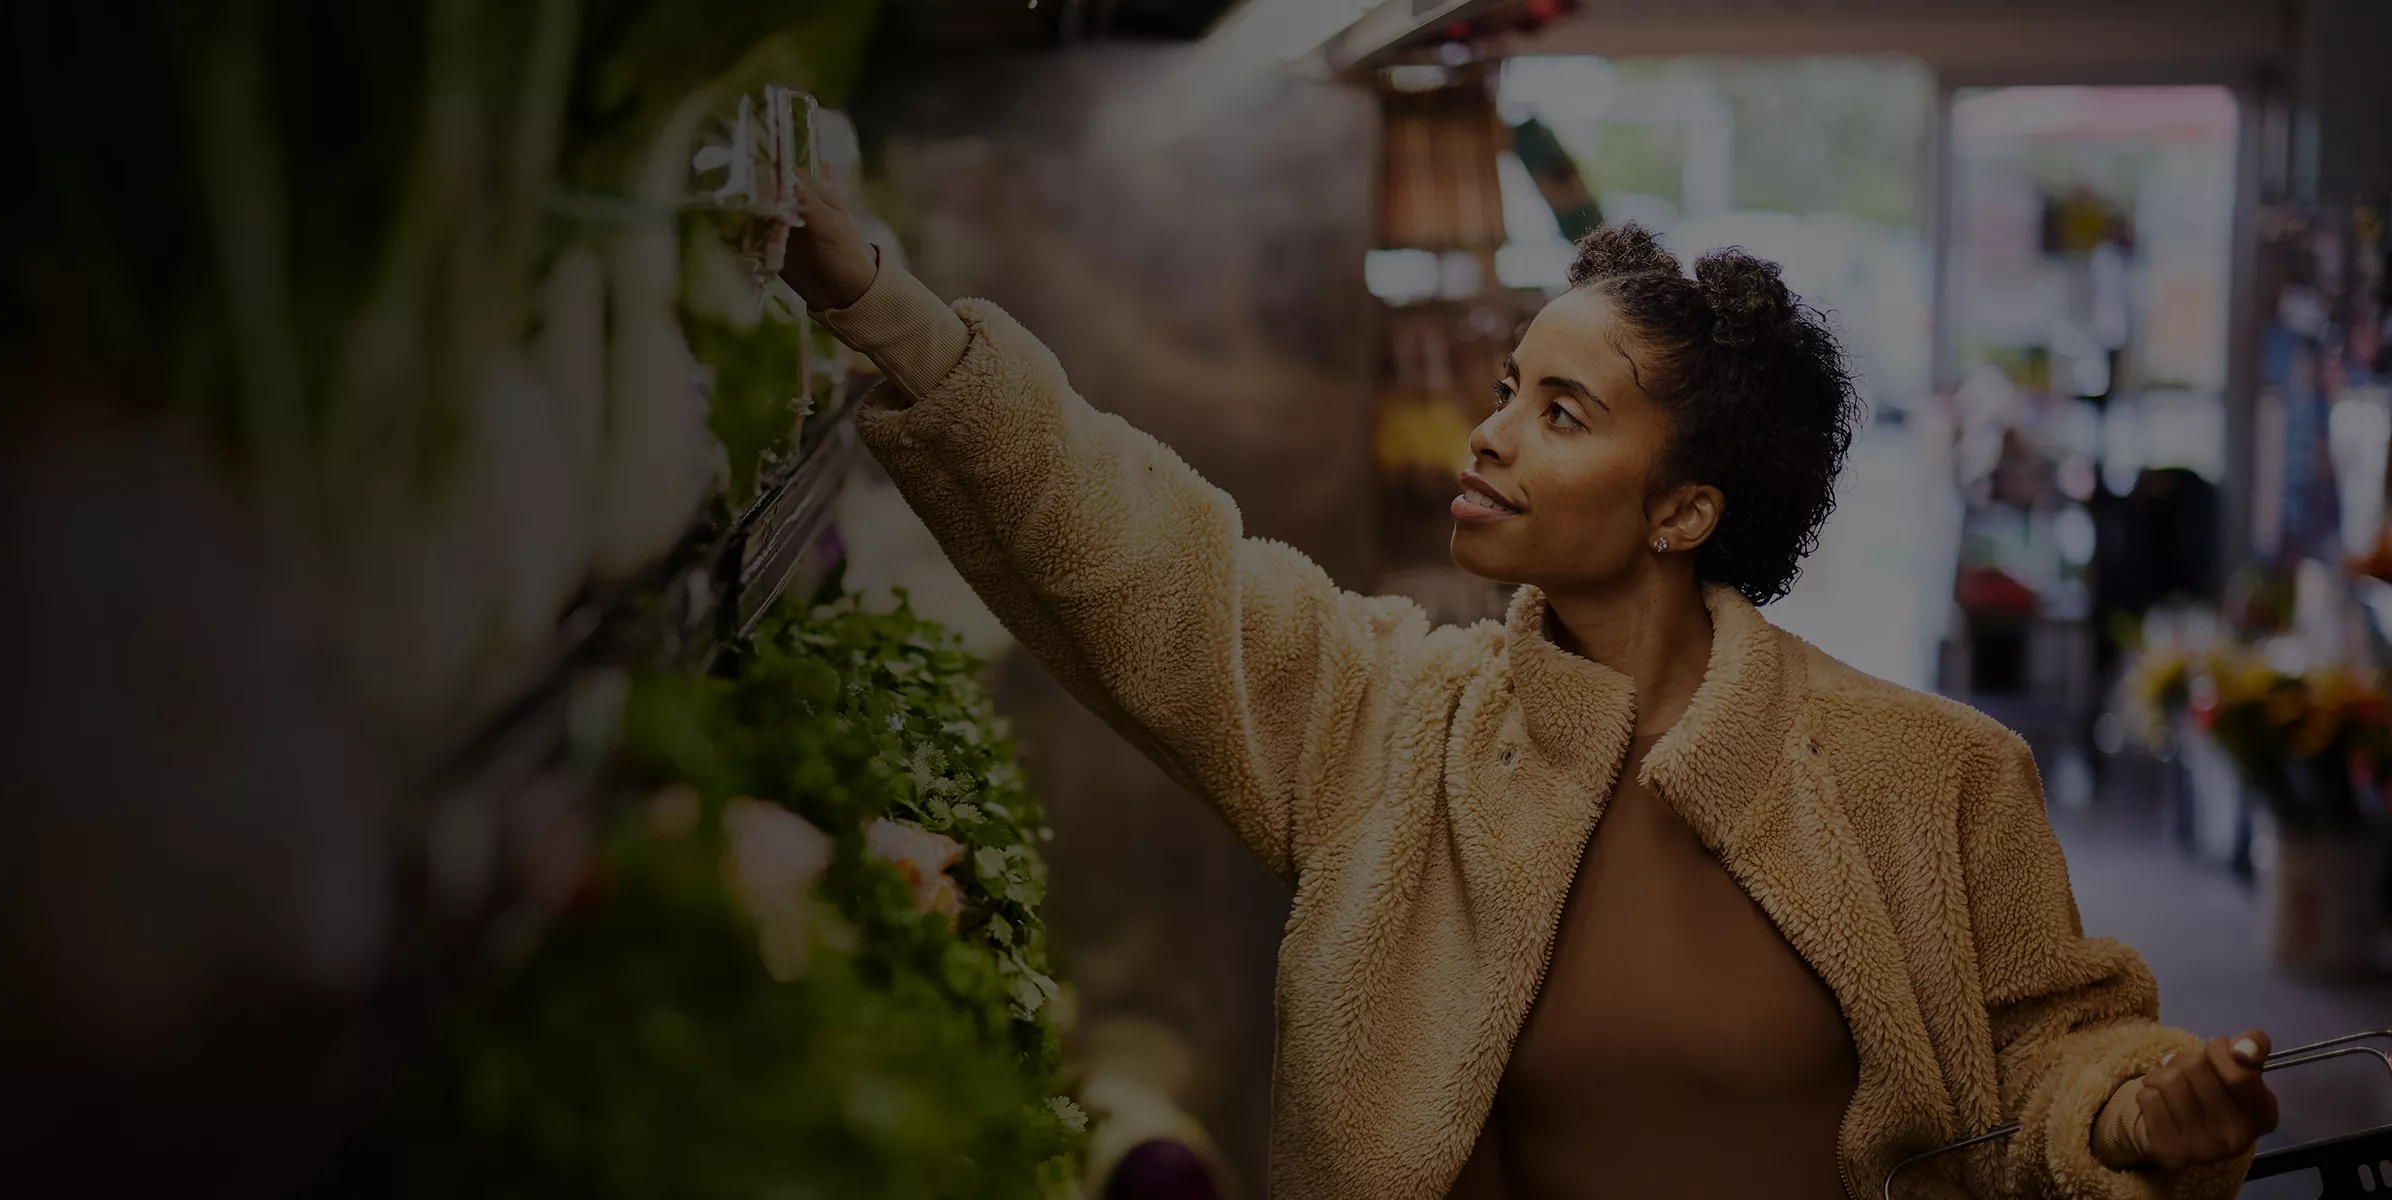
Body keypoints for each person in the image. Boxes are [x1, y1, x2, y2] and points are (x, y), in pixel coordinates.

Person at [773, 173, 2279, 1199]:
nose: (1491, 433)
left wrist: (2140, 1109)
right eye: (1507, 390)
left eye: (1561, 411)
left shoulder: (1929, 773)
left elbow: (2052, 1051)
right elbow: (1144, 553)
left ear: (1683, 512)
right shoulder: (1393, 717)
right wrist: (885, 306)